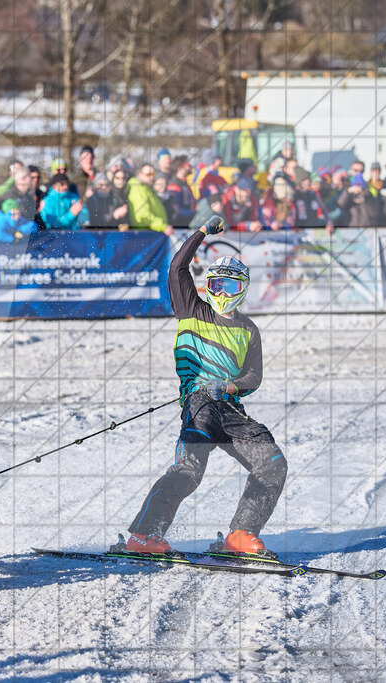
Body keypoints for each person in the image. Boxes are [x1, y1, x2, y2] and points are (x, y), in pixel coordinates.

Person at [124, 216, 287, 557]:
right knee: (188, 473)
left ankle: (240, 535)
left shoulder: (248, 330)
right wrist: (201, 232)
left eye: (227, 286)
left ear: (241, 288)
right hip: (198, 407)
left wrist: (228, 387)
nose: (220, 293)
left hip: (229, 410)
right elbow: (177, 267)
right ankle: (144, 537)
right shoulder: (191, 309)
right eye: (214, 285)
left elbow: (253, 377)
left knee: (272, 463)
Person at [126, 165, 168, 231]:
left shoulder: (146, 187)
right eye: (148, 174)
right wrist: (163, 226)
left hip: (152, 231)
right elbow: (143, 214)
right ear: (140, 175)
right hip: (144, 233)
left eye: (153, 174)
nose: (152, 177)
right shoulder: (137, 189)